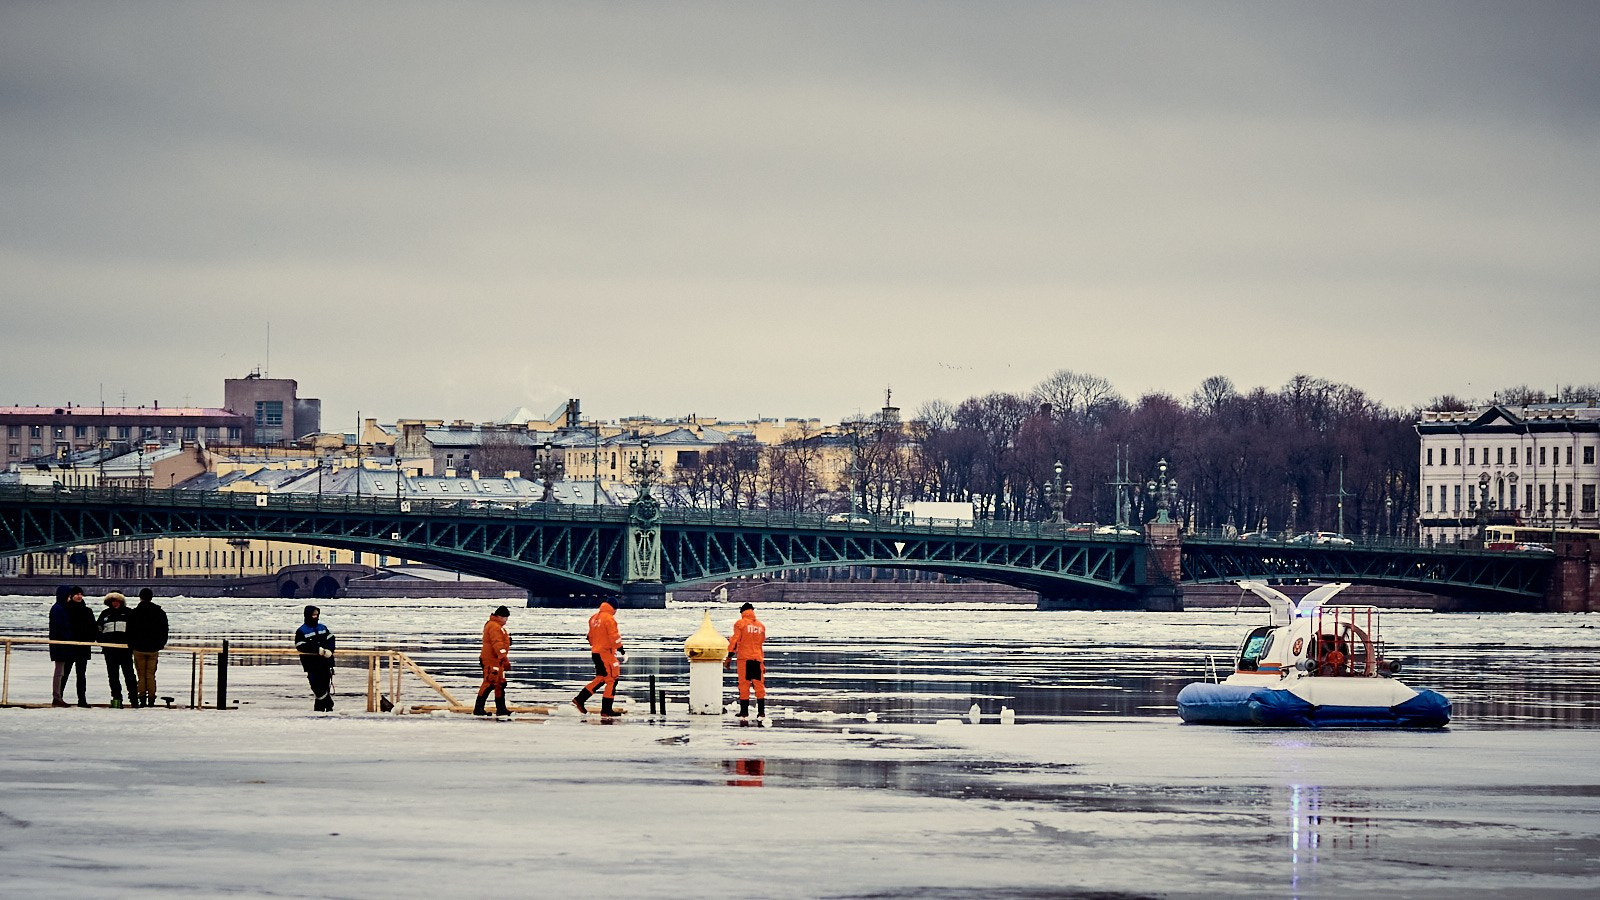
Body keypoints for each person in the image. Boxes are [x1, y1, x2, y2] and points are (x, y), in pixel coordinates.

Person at [573, 600, 625, 716]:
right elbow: (614, 636)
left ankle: (580, 699)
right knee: (612, 680)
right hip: (605, 653)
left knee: (601, 678)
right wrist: (621, 649)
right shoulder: (609, 619)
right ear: (614, 608)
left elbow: (590, 637)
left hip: (596, 652)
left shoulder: (594, 618)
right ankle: (606, 710)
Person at [724, 602, 768, 719]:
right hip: (758, 659)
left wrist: (729, 657)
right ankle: (761, 712)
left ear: (742, 612)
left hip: (744, 659)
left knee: (744, 685)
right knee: (759, 686)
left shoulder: (740, 624)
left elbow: (735, 641)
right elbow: (760, 643)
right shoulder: (760, 626)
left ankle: (744, 712)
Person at [127, 588, 169, 708]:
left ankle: (142, 698)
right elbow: (164, 630)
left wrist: (132, 645)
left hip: (138, 648)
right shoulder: (160, 612)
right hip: (153, 648)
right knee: (150, 675)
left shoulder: (134, 613)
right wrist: (160, 644)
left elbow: (129, 631)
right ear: (151, 597)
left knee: (141, 675)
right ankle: (151, 698)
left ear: (140, 597)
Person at [96, 592, 137, 708]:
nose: (115, 603)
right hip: (110, 651)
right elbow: (98, 629)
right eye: (113, 601)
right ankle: (117, 699)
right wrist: (102, 642)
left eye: (117, 601)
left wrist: (130, 643)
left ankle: (134, 699)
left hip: (125, 650)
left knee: (129, 675)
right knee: (113, 676)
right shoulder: (105, 614)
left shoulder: (129, 613)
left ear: (121, 602)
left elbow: (135, 630)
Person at [293, 605, 336, 711]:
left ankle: (320, 710)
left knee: (325, 685)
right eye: (313, 615)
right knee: (317, 686)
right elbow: (300, 645)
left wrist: (329, 650)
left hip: (325, 662)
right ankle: (328, 703)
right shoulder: (302, 631)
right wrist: (317, 650)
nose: (315, 617)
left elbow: (331, 639)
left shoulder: (322, 627)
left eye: (317, 615)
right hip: (311, 663)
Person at [474, 605, 512, 717]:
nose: (506, 621)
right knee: (489, 682)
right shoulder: (495, 627)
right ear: (500, 616)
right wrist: (503, 657)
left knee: (500, 683)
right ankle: (478, 709)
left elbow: (500, 642)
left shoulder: (495, 626)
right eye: (505, 618)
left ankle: (501, 709)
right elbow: (497, 644)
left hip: (496, 659)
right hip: (491, 659)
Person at [48, 584, 81, 707]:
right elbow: (60, 628)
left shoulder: (59, 608)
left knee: (60, 672)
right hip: (60, 645)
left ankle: (58, 697)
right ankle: (57, 697)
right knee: (59, 672)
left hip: (60, 645)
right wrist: (68, 639)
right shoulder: (59, 609)